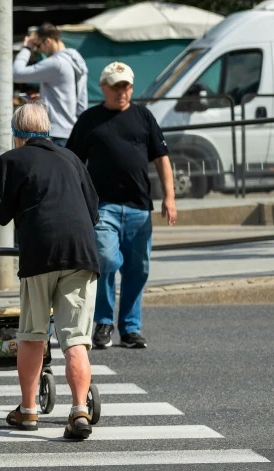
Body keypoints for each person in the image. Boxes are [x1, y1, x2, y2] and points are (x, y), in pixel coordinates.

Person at [0, 101, 100, 440]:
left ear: (17, 135)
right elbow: (93, 210)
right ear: (47, 129)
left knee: (33, 334)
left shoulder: (11, 160)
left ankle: (28, 410)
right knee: (75, 339)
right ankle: (80, 409)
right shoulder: (71, 159)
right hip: (81, 253)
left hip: (40, 254)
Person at [67, 61, 176, 350]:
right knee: (105, 260)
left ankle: (130, 328)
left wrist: (170, 196)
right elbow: (73, 162)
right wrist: (74, 199)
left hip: (140, 208)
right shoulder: (90, 119)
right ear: (103, 87)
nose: (121, 92)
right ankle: (103, 321)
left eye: (126, 86)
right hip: (103, 207)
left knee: (138, 268)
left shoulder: (144, 117)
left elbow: (161, 157)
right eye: (115, 87)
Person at [13, 23, 89, 147]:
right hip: (72, 131)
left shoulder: (55, 63)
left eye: (38, 45)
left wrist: (27, 48)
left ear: (48, 41)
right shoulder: (78, 62)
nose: (39, 50)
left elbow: (16, 74)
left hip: (55, 133)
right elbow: (81, 102)